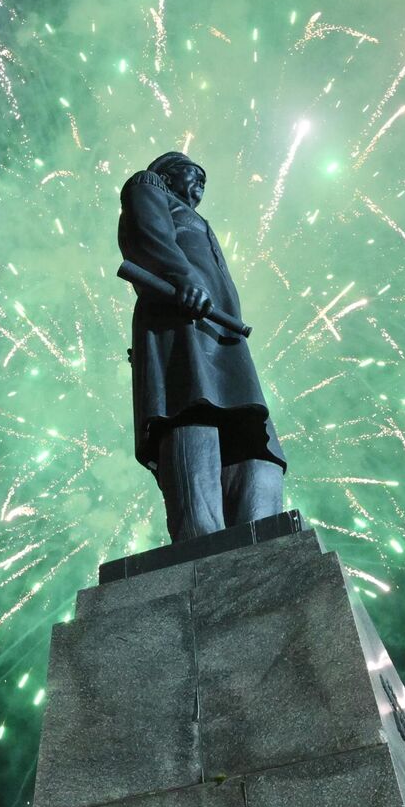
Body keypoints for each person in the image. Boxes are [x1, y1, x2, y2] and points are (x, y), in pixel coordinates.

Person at [118, 151, 287, 544]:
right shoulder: (149, 185)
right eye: (195, 176)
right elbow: (147, 235)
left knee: (253, 437)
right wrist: (182, 276)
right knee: (190, 408)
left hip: (222, 338)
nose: (200, 187)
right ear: (170, 174)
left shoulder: (198, 220)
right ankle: (202, 538)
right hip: (181, 324)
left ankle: (259, 539)